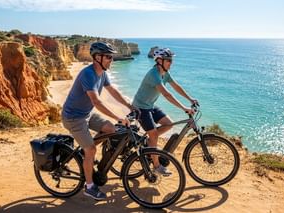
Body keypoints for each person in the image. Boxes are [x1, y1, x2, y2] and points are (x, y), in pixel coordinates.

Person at [61, 41, 133, 201]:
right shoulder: (88, 74)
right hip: (73, 117)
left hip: (86, 114)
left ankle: (84, 151)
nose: (111, 60)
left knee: (111, 129)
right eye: (108, 56)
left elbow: (112, 91)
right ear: (97, 57)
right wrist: (118, 117)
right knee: (92, 150)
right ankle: (90, 187)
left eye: (111, 57)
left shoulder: (102, 72)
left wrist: (129, 105)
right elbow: (96, 102)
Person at [132, 47, 197, 175]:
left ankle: (149, 142)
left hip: (149, 105)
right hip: (140, 107)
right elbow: (167, 95)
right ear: (159, 60)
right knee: (154, 134)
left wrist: (190, 99)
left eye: (171, 60)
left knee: (169, 124)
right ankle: (156, 167)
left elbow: (176, 86)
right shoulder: (154, 74)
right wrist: (184, 108)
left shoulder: (164, 73)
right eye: (168, 60)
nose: (171, 63)